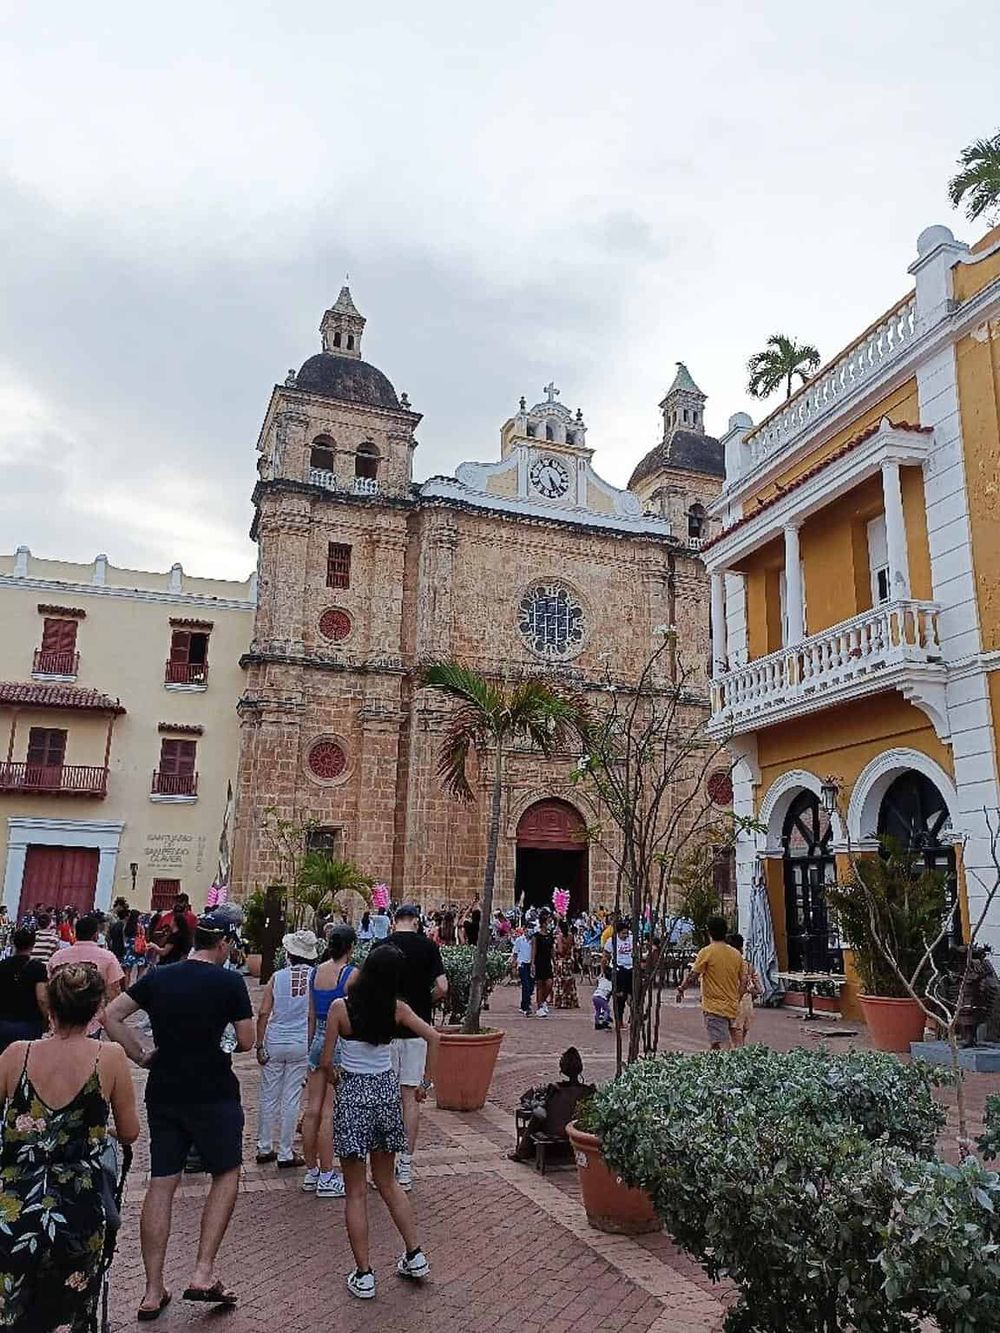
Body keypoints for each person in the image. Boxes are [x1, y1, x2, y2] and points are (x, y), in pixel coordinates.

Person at [103, 911, 254, 1317]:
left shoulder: (160, 976)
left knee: (161, 1182)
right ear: (222, 944)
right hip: (214, 1092)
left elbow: (111, 1015)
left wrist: (140, 1053)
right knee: (225, 1173)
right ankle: (203, 1271)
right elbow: (246, 1041)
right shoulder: (229, 981)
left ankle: (152, 1290)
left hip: (165, 1089)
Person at [0, 964, 140, 1331]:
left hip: (16, 1198)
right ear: (97, 1009)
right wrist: (95, 1131)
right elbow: (129, 1132)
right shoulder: (108, 1058)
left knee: (11, 1308)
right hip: (79, 1205)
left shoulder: (17, 1054)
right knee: (72, 1309)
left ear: (50, 1007)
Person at [319, 944, 439, 1300]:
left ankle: (365, 1274)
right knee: (388, 1182)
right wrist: (424, 1084)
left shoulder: (342, 1008)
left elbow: (326, 1061)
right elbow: (435, 1036)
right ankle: (415, 1254)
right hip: (386, 1095)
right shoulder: (397, 1008)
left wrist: (337, 1078)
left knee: (355, 1191)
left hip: (355, 1095)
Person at [378, 903, 447, 1192]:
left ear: (394, 921)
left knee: (385, 1099)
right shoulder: (428, 947)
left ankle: (383, 1166)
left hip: (385, 1033)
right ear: (417, 922)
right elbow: (443, 986)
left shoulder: (382, 946)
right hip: (418, 1031)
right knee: (410, 1099)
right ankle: (405, 1166)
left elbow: (369, 987)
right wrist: (424, 1005)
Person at [301, 924, 358, 1197]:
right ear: (350, 946)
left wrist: (310, 1048)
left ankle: (311, 1173)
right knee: (328, 1111)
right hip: (338, 1045)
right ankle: (327, 1175)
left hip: (316, 1042)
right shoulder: (350, 975)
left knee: (312, 1109)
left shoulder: (315, 972)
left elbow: (312, 1016)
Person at [255, 929, 318, 1169]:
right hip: (301, 1041)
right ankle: (285, 1152)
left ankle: (263, 1147)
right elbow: (312, 1016)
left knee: (269, 1095)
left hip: (275, 1039)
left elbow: (263, 1013)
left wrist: (260, 1044)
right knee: (292, 1098)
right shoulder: (315, 977)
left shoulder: (277, 977)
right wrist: (311, 1045)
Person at [510, 1047, 595, 1162]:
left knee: (538, 1115)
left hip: (556, 1133)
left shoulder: (555, 1091)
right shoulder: (588, 1091)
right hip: (577, 1133)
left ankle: (522, 1151)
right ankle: (523, 1151)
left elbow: (540, 1116)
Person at [48, 912, 125, 1036]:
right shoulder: (108, 957)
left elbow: (50, 986)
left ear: (75, 932)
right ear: (95, 935)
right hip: (92, 1020)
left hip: (61, 1018)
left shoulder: (58, 957)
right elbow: (114, 990)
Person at [676, 916, 744, 1051]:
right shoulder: (736, 954)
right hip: (732, 1006)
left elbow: (693, 975)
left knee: (723, 1044)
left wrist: (682, 988)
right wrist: (737, 998)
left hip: (714, 1007)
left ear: (709, 932)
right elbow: (743, 981)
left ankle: (730, 1068)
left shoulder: (707, 952)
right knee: (717, 1044)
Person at [0, 927, 50, 1050]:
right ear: (33, 944)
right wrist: (47, 1019)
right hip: (29, 1023)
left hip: (3, 1021)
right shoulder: (38, 968)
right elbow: (42, 998)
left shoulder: (2, 965)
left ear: (13, 942)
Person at [727, 932, 763, 1047]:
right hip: (748, 1006)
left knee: (736, 1041)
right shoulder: (748, 965)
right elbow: (760, 990)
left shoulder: (728, 966)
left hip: (734, 1003)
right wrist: (750, 990)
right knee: (741, 1038)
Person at [604, 918, 634, 1026]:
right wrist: (605, 970)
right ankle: (619, 1020)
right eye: (623, 933)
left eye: (627, 933)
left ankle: (634, 1015)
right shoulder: (612, 941)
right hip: (619, 970)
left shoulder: (632, 939)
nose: (625, 935)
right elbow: (606, 956)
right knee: (620, 997)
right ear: (618, 933)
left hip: (631, 969)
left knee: (634, 995)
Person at [532, 911, 555, 1017]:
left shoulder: (550, 936)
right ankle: (539, 1006)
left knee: (549, 983)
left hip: (547, 962)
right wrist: (532, 964)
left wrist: (555, 961)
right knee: (540, 985)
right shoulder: (536, 936)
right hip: (539, 962)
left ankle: (544, 1001)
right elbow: (534, 951)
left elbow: (552, 950)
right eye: (548, 921)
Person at [553, 919, 579, 1009]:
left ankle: (562, 1002)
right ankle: (570, 1000)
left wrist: (554, 950)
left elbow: (560, 950)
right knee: (569, 981)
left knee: (561, 981)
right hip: (569, 960)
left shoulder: (559, 937)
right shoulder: (571, 936)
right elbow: (574, 947)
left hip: (561, 961)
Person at [512, 926, 534, 1016]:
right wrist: (514, 964)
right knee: (525, 985)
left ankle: (524, 1003)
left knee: (531, 986)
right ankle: (526, 1007)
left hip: (531, 965)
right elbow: (515, 952)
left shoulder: (533, 941)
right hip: (522, 964)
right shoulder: (519, 940)